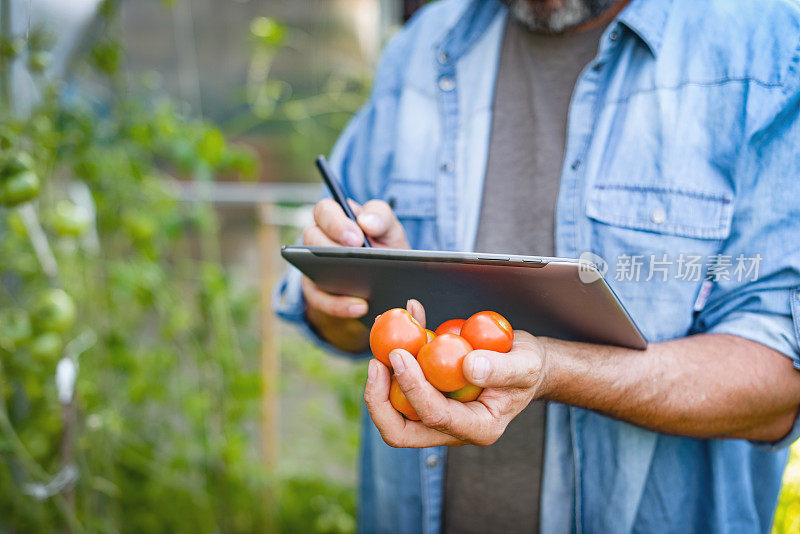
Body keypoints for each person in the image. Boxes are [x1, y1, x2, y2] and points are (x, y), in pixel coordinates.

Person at [274, 0, 800, 532]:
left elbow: (780, 381)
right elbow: (342, 317)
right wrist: (348, 290)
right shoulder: (426, 40)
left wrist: (554, 368)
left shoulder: (764, 49)